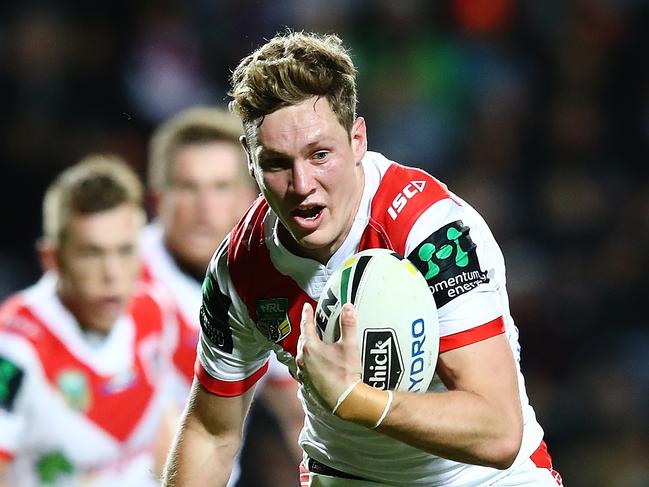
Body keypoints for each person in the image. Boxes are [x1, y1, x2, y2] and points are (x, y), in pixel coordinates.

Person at [162, 31, 563, 487]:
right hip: (347, 476)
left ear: (357, 141)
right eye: (276, 163)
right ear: (249, 162)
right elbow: (212, 432)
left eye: (319, 155)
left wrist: (356, 399)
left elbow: (498, 431)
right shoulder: (241, 266)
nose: (302, 184)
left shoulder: (430, 232)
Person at [141, 107, 303, 486]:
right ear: (157, 198)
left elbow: (303, 418)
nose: (205, 208)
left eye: (220, 187)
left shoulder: (269, 286)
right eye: (188, 187)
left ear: (252, 196)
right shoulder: (118, 278)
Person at [0, 155, 176, 486]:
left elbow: (165, 428)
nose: (112, 275)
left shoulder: (153, 310)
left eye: (124, 251)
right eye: (92, 254)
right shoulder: (14, 351)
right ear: (51, 259)